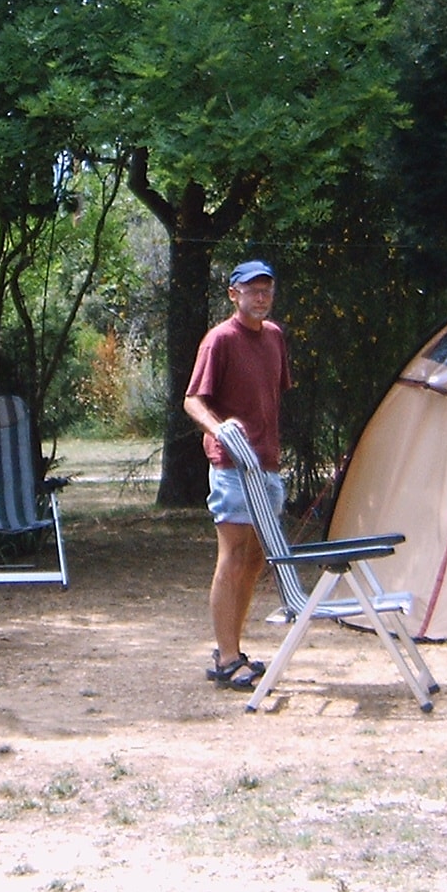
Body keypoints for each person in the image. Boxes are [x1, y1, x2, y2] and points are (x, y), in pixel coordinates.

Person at [182, 259, 292, 689]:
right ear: (234, 295)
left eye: (267, 289)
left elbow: (270, 398)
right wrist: (220, 431)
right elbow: (193, 400)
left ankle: (235, 647)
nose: (261, 297)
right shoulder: (219, 340)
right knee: (232, 556)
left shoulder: (275, 338)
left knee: (256, 558)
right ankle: (227, 658)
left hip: (267, 465)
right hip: (232, 467)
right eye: (252, 290)